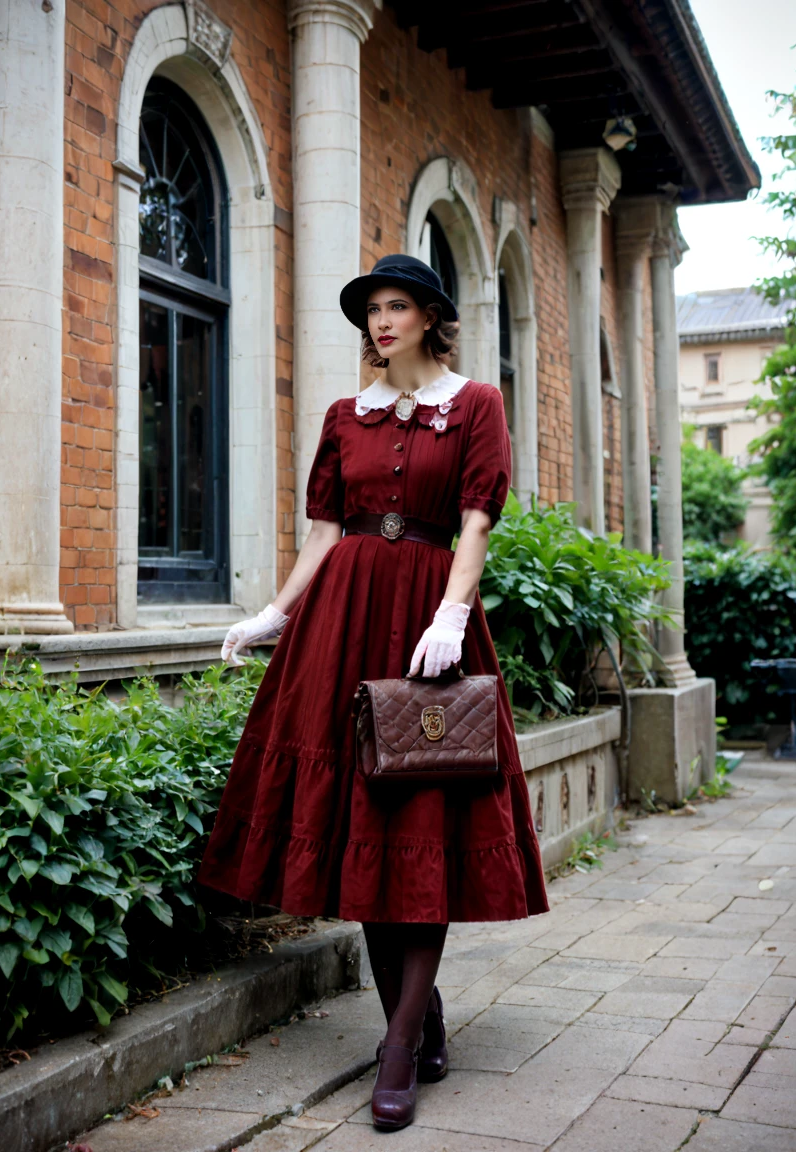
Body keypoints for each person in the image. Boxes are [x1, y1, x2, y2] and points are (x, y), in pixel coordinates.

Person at [198, 254, 548, 1131]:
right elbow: (326, 529)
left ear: (431, 316)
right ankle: (415, 1016)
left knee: (419, 814)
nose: (381, 322)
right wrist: (274, 614)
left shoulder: (475, 404)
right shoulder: (342, 416)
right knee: (361, 818)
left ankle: (396, 1048)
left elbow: (476, 518)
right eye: (371, 310)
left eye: (397, 307)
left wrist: (452, 615)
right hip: (342, 622)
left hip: (430, 620)